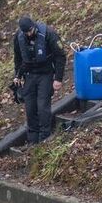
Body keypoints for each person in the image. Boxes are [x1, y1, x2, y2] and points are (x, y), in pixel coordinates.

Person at [13, 16, 66, 144]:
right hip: (30, 74)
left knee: (43, 107)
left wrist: (58, 78)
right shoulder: (19, 37)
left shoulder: (49, 33)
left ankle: (45, 137)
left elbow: (60, 56)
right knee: (30, 108)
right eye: (27, 32)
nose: (29, 34)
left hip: (46, 74)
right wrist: (17, 75)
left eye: (31, 30)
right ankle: (33, 140)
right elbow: (18, 58)